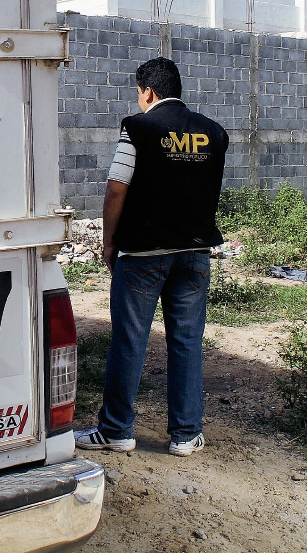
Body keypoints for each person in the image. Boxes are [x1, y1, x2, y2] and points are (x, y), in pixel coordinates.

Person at [74, 57, 228, 457]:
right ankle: (185, 434)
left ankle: (116, 431)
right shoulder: (214, 133)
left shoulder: (138, 127)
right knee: (187, 342)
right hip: (195, 254)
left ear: (148, 91)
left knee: (130, 341)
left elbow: (115, 189)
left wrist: (109, 243)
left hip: (143, 255)